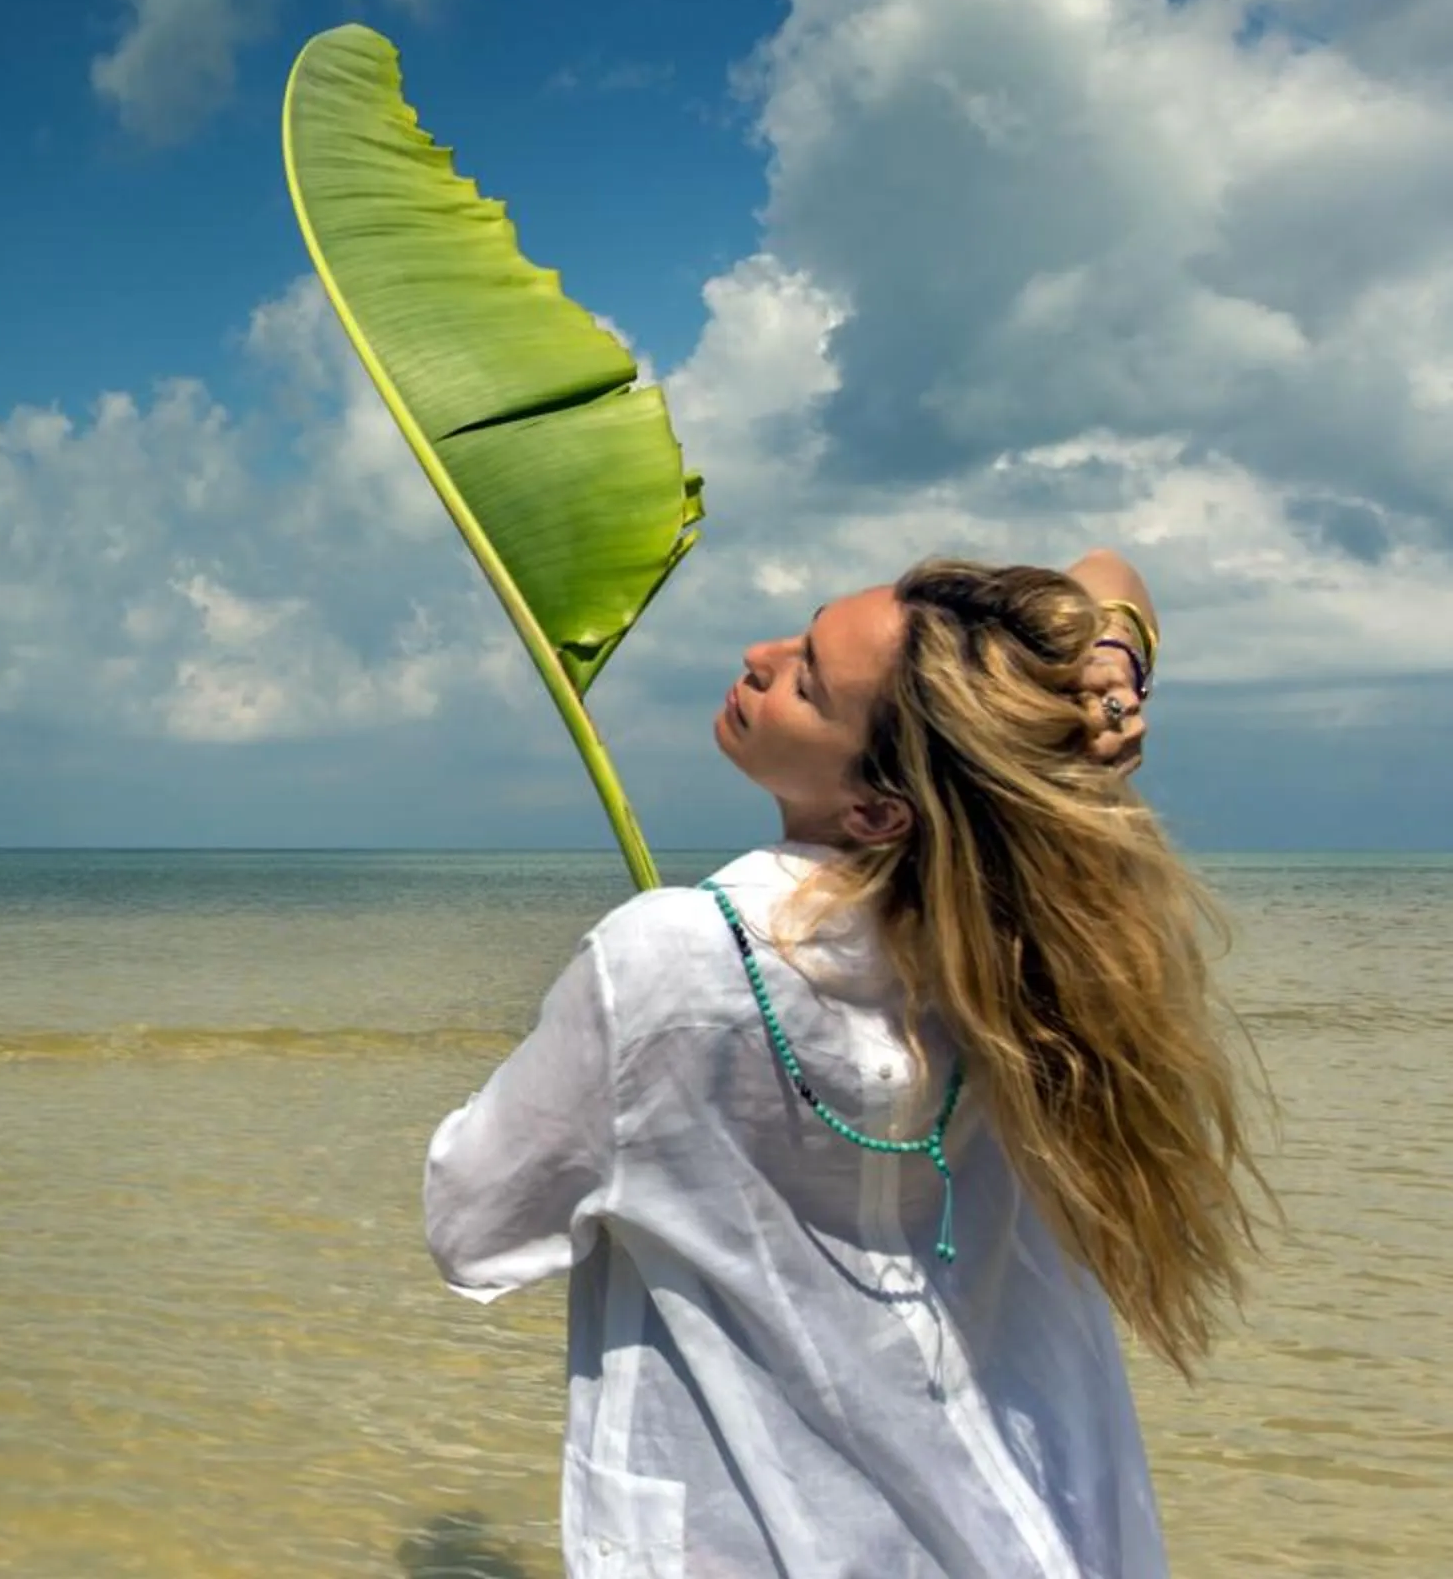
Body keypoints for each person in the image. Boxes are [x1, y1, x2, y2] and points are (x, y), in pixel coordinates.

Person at [424, 551, 1267, 1578]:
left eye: (808, 677)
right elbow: (1107, 569)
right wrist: (1111, 656)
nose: (760, 655)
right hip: (1023, 1530)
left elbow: (474, 1226)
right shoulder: (1019, 953)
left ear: (877, 809)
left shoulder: (667, 958)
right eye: (802, 631)